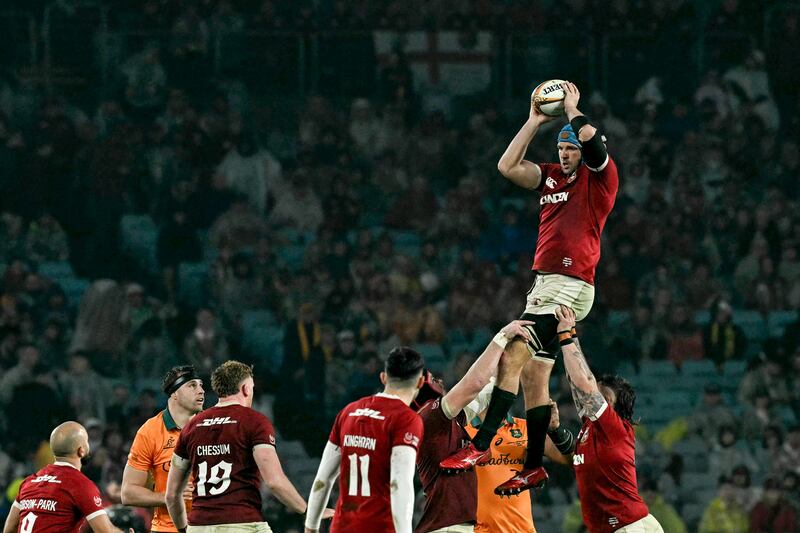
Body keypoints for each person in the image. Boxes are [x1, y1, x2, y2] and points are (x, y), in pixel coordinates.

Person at [440, 82, 619, 495]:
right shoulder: (553, 177)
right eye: (562, 148)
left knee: (512, 354)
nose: (566, 153)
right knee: (535, 378)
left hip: (567, 281)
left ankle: (481, 443)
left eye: (572, 147)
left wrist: (574, 108)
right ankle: (535, 465)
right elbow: (507, 166)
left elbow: (593, 144)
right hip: (552, 286)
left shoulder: (601, 177)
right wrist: (534, 120)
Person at [414, 320, 546, 533]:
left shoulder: (450, 421)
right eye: (432, 380)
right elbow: (475, 383)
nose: (439, 380)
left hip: (457, 527)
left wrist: (522, 350)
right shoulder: (431, 416)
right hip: (447, 529)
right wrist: (502, 336)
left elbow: (488, 389)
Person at [165, 360, 321, 532]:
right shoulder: (254, 421)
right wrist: (309, 511)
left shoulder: (191, 426)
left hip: (198, 526)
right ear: (246, 388)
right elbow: (274, 481)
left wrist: (183, 529)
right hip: (243, 524)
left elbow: (172, 495)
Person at [556, 305, 663, 533]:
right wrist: (571, 334)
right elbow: (578, 382)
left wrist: (565, 336)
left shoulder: (615, 428)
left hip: (629, 527)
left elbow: (585, 384)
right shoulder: (590, 426)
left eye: (604, 397)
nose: (596, 399)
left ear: (616, 407)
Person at [304, 347, 426, 533]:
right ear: (421, 382)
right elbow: (399, 484)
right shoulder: (407, 420)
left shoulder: (349, 412)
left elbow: (323, 479)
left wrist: (310, 528)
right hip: (379, 527)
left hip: (341, 528)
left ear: (383, 378)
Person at [2, 421, 130, 533]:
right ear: (81, 450)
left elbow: (9, 529)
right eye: (86, 442)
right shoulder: (80, 485)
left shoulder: (28, 482)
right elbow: (105, 531)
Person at [466, 400, 573, 533]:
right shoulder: (463, 432)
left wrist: (556, 430)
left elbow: (571, 460)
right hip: (480, 530)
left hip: (522, 529)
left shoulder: (524, 427)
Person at [122, 366, 205, 533]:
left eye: (201, 385)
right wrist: (170, 496)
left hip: (210, 527)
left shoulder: (213, 426)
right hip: (167, 529)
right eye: (192, 385)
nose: (201, 391)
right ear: (174, 393)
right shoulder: (150, 431)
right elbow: (128, 492)